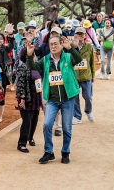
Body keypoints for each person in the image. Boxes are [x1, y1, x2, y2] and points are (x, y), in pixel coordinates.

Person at [26, 34, 81, 164]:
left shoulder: (68, 57)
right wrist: (29, 55)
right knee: (46, 124)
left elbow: (78, 59)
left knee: (67, 128)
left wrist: (71, 48)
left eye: (56, 44)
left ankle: (65, 152)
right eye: (51, 44)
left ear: (61, 45)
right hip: (52, 100)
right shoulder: (45, 60)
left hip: (68, 99)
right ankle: (48, 151)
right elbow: (33, 66)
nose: (53, 46)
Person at [16, 47, 43, 153]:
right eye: (32, 55)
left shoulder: (35, 67)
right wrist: (22, 98)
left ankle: (30, 137)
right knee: (27, 121)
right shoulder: (22, 67)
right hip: (27, 98)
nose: (35, 56)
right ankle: (21, 143)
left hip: (36, 98)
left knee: (35, 119)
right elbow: (20, 83)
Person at [72, 27, 95, 125]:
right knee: (75, 98)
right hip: (74, 77)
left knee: (88, 96)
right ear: (75, 35)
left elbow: (92, 62)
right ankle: (77, 116)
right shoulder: (70, 46)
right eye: (78, 34)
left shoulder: (89, 47)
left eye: (82, 34)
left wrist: (93, 75)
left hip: (86, 76)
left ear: (85, 36)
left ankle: (88, 111)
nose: (80, 36)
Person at [0, 24, 15, 122]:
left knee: (1, 96)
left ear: (3, 41)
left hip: (2, 76)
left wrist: (10, 35)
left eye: (1, 39)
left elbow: (11, 45)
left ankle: (0, 116)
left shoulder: (4, 49)